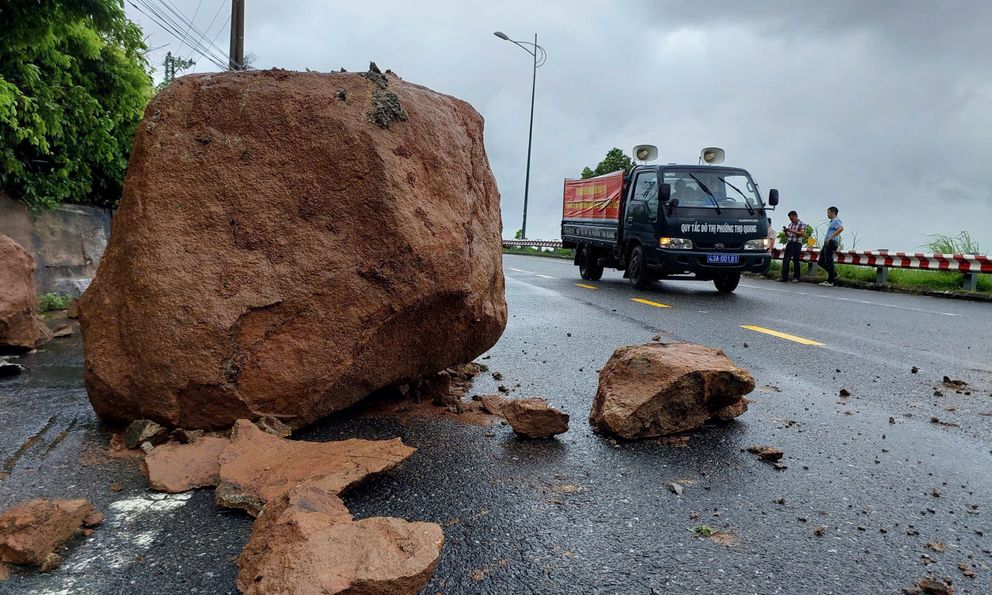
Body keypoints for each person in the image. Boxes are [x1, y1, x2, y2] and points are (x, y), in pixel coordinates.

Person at [778, 210, 807, 283]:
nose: (791, 220)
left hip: (797, 243)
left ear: (795, 216)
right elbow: (788, 236)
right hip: (790, 243)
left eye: (792, 218)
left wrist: (791, 230)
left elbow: (802, 234)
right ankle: (784, 277)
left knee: (795, 260)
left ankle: (796, 277)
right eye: (790, 219)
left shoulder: (802, 224)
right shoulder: (790, 225)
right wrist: (786, 231)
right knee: (785, 260)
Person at [818, 206, 844, 287]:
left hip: (831, 242)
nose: (827, 214)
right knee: (821, 261)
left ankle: (830, 281)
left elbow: (841, 228)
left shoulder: (836, 220)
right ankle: (833, 274)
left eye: (828, 212)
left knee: (829, 261)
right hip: (827, 243)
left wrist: (830, 237)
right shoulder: (832, 221)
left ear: (833, 212)